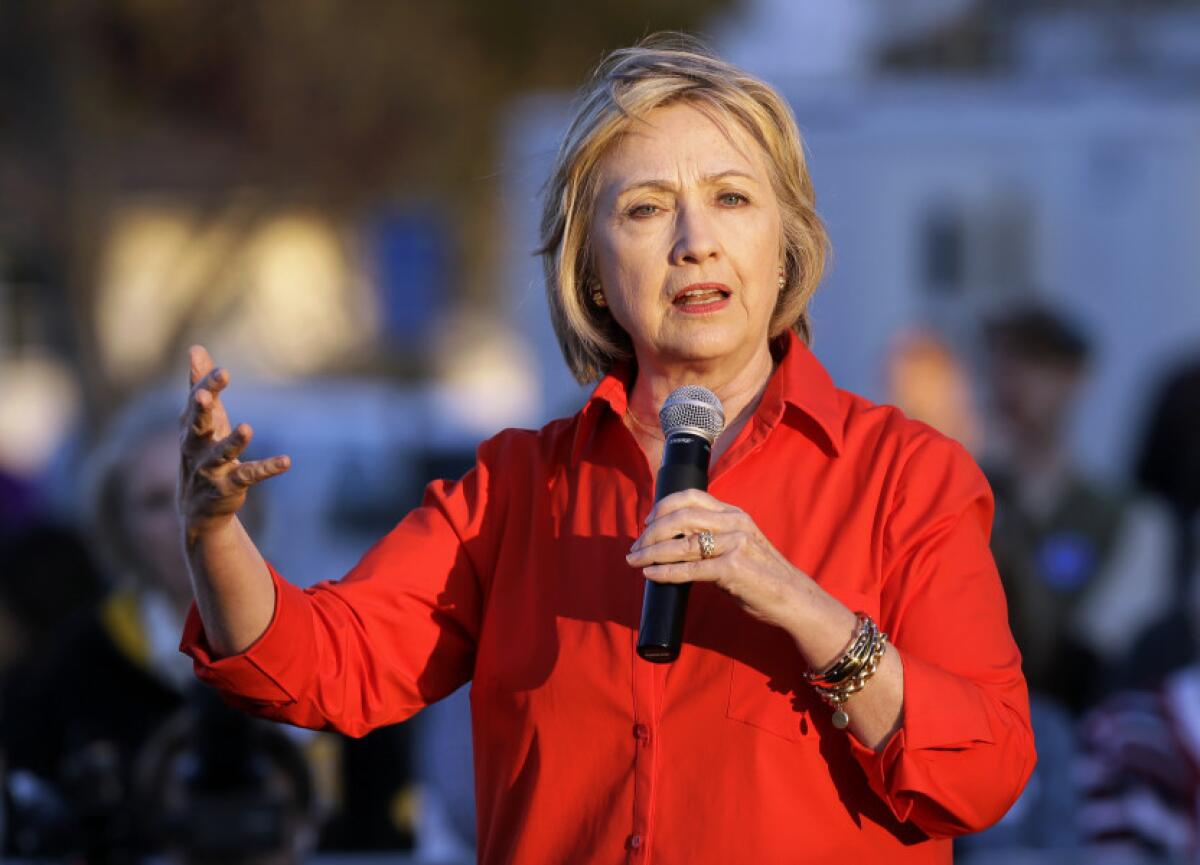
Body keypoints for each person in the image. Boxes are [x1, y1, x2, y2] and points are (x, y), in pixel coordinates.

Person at [177, 34, 1035, 863]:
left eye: (732, 198)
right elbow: (319, 666)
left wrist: (805, 608)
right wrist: (215, 537)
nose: (694, 238)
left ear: (786, 248)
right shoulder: (518, 488)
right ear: (592, 269)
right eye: (646, 207)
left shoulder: (907, 476)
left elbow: (985, 773)